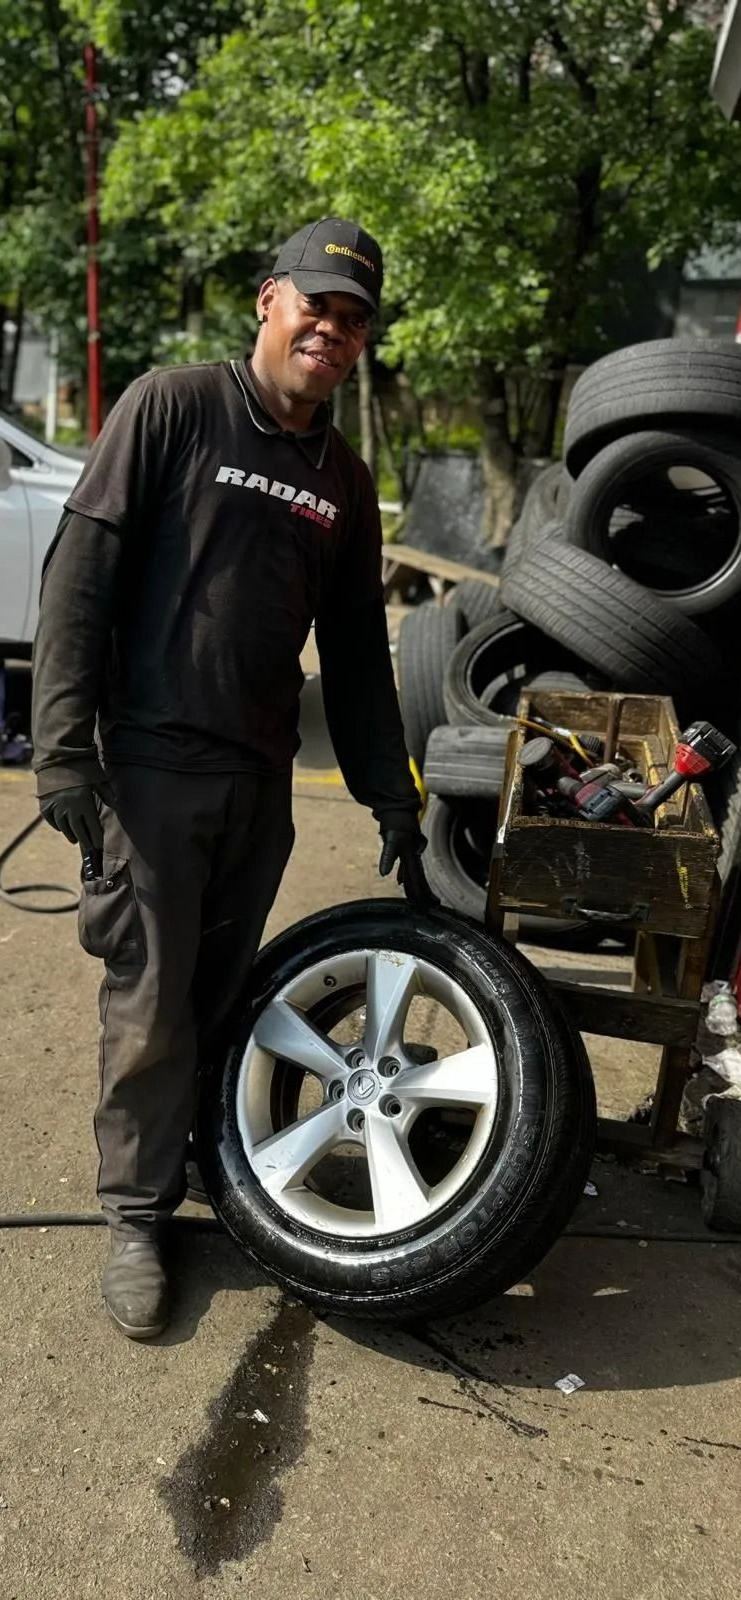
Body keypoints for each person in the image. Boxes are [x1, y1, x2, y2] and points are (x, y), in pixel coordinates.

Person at [31, 216, 433, 1340]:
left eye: (354, 321)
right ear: (270, 300)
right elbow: (81, 577)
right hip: (152, 767)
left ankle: (204, 1167)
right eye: (318, 306)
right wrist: (62, 748)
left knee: (223, 996)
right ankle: (133, 1214)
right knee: (151, 1005)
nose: (333, 331)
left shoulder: (344, 481)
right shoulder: (173, 406)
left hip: (259, 783)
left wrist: (389, 793)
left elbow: (356, 657)